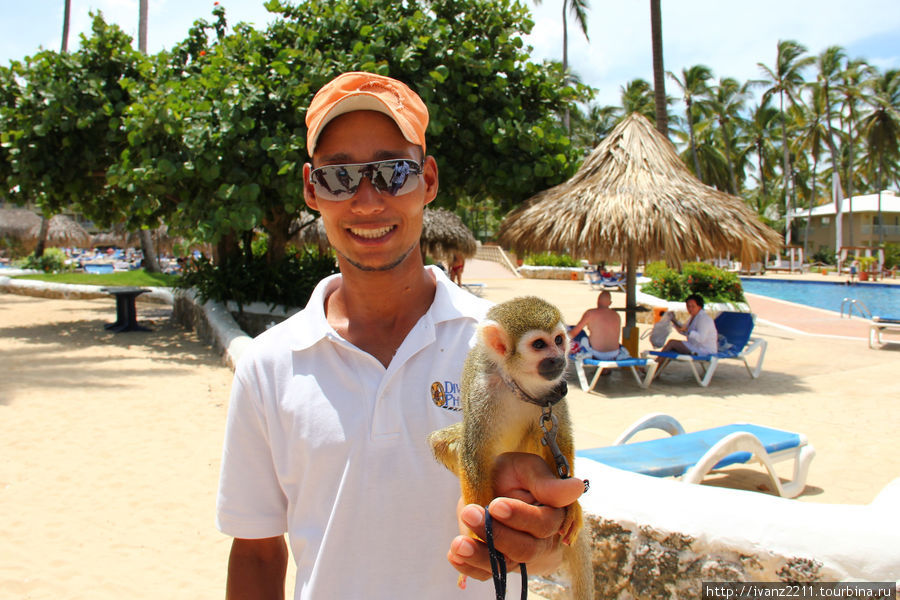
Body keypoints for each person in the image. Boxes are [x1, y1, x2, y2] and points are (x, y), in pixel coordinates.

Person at [216, 72, 585, 600]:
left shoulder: (501, 346)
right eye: (339, 177)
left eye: (393, 172)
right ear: (310, 189)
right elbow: (255, 550)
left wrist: (533, 539)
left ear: (428, 180)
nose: (367, 201)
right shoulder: (269, 365)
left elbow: (554, 534)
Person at [568, 290, 630, 360]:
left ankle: (585, 353)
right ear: (610, 303)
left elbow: (574, 333)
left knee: (580, 334)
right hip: (614, 353)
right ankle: (606, 369)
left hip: (596, 353)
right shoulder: (616, 315)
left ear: (598, 301)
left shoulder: (590, 313)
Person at [655, 293, 717, 360]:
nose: (690, 309)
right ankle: (656, 367)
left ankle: (655, 365)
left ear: (699, 307)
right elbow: (684, 331)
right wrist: (673, 320)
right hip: (695, 346)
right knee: (671, 347)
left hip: (704, 350)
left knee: (672, 343)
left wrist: (688, 331)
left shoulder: (703, 319)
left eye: (693, 306)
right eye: (688, 306)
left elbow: (701, 338)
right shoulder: (694, 317)